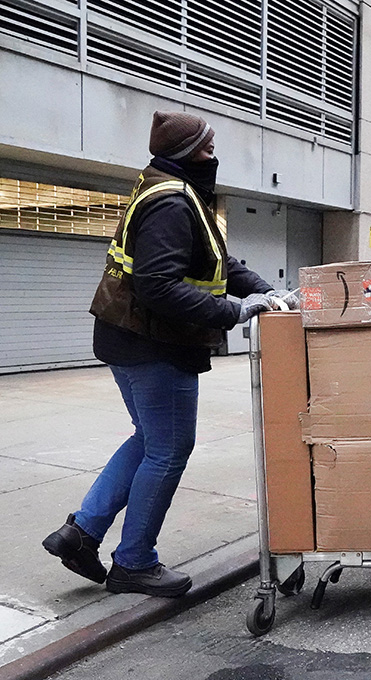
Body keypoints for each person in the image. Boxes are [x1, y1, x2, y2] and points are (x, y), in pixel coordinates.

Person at [42, 111, 285, 597]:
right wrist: (234, 312)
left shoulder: (176, 191)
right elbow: (157, 285)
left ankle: (81, 532)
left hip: (128, 337)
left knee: (149, 439)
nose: (214, 151)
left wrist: (267, 292)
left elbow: (219, 260)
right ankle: (134, 562)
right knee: (169, 449)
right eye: (206, 144)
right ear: (186, 152)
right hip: (154, 343)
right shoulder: (173, 201)